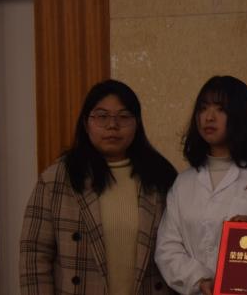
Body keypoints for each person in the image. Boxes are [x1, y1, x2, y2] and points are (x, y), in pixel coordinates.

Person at [20, 79, 178, 295]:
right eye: (102, 116)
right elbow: (34, 254)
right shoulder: (57, 178)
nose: (112, 125)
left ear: (137, 124)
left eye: (123, 116)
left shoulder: (161, 176)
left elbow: (179, 248)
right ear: (86, 124)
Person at [156, 75, 247, 294]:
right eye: (203, 108)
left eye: (221, 109)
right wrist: (200, 279)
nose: (209, 117)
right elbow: (167, 248)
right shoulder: (184, 182)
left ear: (242, 115)